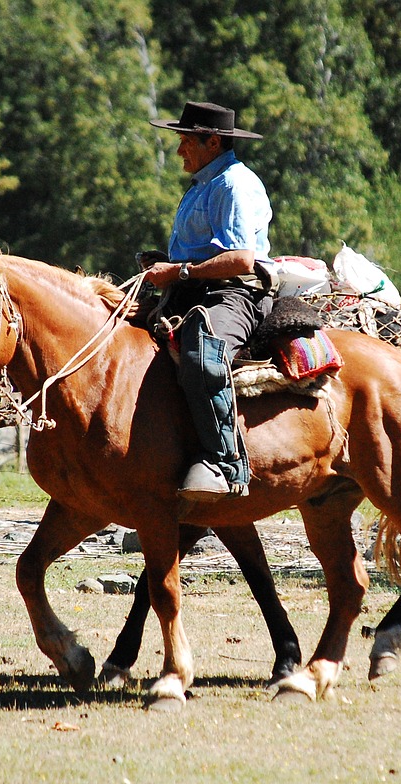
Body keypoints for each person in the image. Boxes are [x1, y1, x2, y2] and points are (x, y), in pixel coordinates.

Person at [144, 101, 274, 501]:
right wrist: (165, 265)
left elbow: (240, 259)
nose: (180, 149)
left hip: (236, 292)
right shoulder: (203, 183)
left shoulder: (232, 184)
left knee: (202, 352)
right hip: (195, 287)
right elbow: (199, 253)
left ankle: (224, 459)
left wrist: (178, 272)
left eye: (186, 141)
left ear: (212, 141)